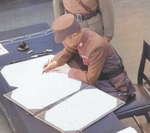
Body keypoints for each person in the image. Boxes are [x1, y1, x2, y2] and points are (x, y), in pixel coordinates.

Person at [43, 14, 135, 102]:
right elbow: (70, 49)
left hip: (113, 87)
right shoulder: (82, 34)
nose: (62, 43)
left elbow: (91, 78)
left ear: (74, 35)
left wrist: (68, 71)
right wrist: (55, 62)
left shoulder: (96, 46)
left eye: (64, 40)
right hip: (100, 80)